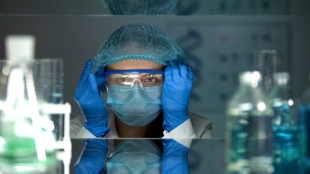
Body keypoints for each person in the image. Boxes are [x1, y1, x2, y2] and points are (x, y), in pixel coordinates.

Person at [71, 23, 213, 148]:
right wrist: (92, 130)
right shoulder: (74, 131)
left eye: (150, 78)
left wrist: (178, 125)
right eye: (124, 78)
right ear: (104, 83)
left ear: (170, 82)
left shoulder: (199, 128)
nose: (136, 93)